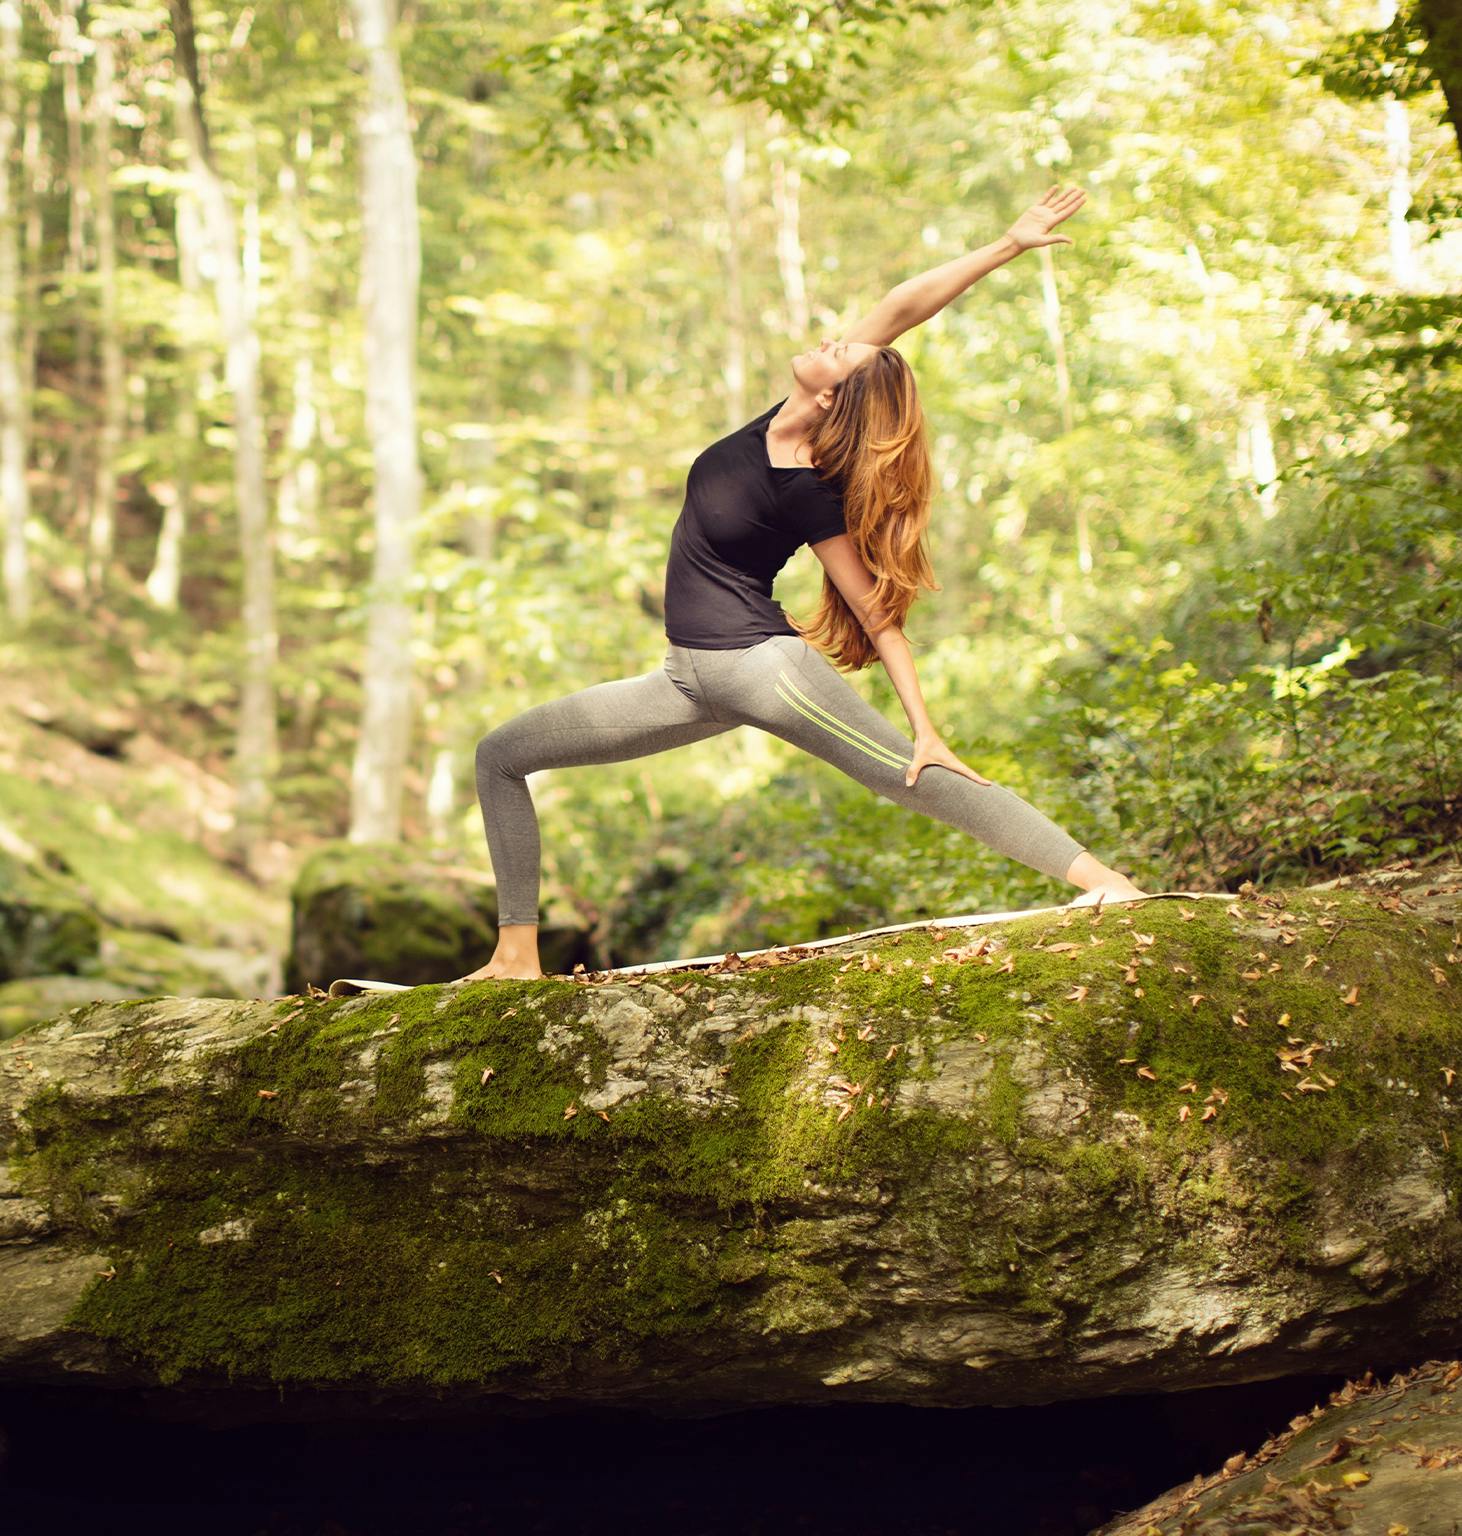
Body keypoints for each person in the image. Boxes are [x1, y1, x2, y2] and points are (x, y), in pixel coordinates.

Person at [454, 184, 1145, 983]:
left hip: (764, 672)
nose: (836, 337)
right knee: (500, 755)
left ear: (836, 395)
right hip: (685, 681)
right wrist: (1008, 245)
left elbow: (876, 616)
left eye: (843, 350)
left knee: (915, 776)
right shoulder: (783, 411)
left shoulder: (806, 485)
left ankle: (1106, 884)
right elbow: (904, 304)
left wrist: (925, 725)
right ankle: (515, 955)